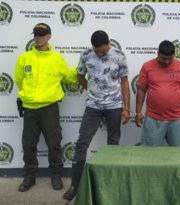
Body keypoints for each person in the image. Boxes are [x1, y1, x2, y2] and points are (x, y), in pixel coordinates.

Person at [63, 30, 130, 201]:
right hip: (93, 106)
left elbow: (124, 82)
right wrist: (92, 91)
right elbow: (79, 76)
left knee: (112, 145)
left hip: (115, 106)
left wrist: (126, 108)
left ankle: (110, 184)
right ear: (92, 47)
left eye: (103, 51)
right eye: (97, 51)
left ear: (109, 44)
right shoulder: (86, 55)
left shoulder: (119, 55)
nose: (100, 54)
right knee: (81, 144)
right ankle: (74, 186)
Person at [14, 23, 77, 192]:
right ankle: (29, 177)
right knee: (28, 144)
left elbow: (70, 77)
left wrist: (84, 67)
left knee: (54, 142)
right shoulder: (25, 58)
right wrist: (28, 95)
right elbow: (19, 80)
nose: (38, 38)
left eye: (42, 34)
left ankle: (56, 176)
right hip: (30, 107)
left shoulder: (57, 59)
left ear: (49, 36)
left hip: (49, 107)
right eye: (36, 34)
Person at [135, 40, 180, 146]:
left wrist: (173, 95)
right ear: (158, 53)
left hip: (177, 118)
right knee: (148, 154)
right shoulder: (147, 66)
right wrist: (138, 113)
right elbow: (141, 89)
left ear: (174, 55)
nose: (166, 61)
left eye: (170, 58)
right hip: (153, 118)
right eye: (163, 58)